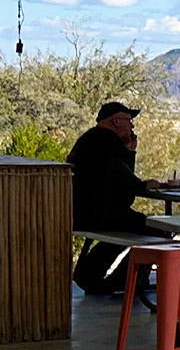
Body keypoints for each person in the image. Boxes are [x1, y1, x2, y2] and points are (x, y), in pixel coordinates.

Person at [68, 100, 167, 297]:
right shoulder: (108, 141)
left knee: (130, 227)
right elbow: (124, 184)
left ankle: (90, 274)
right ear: (115, 122)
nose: (132, 127)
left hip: (81, 212)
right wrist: (134, 160)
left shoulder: (90, 138)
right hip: (99, 214)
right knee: (160, 230)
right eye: (129, 121)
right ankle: (126, 280)